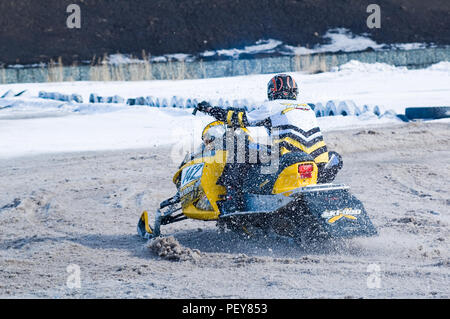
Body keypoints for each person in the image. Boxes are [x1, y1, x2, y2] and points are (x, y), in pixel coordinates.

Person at [197, 73, 343, 212]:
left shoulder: (272, 106)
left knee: (239, 150)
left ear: (272, 91)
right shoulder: (307, 108)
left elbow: (239, 118)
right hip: (319, 162)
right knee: (335, 158)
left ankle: (233, 199)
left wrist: (210, 109)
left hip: (289, 157)